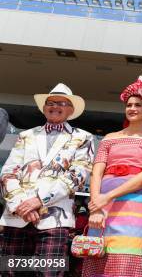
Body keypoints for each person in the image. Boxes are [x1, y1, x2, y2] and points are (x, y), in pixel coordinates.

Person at [0, 83, 95, 277]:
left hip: (55, 221)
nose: (55, 106)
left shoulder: (83, 137)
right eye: (50, 102)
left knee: (49, 273)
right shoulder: (26, 135)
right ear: (44, 108)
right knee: (11, 273)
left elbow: (76, 176)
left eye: (61, 102)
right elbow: (8, 172)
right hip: (16, 218)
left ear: (71, 110)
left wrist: (38, 200)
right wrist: (20, 204)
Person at [83, 76, 142, 277]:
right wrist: (96, 203)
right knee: (96, 250)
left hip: (133, 203)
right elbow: (97, 172)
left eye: (138, 104)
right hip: (101, 201)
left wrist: (107, 197)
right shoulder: (110, 138)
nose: (132, 108)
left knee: (124, 252)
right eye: (129, 104)